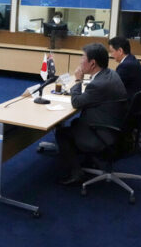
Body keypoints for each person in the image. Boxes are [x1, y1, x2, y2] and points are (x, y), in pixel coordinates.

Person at [55, 43, 128, 185]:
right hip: (115, 125)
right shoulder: (110, 73)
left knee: (62, 134)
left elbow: (76, 102)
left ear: (93, 63)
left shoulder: (98, 85)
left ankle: (77, 173)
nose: (80, 61)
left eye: (83, 58)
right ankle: (89, 160)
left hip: (104, 133)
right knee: (75, 122)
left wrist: (78, 80)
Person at [108, 36, 141, 100]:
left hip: (130, 101)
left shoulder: (125, 66)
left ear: (120, 51)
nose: (111, 55)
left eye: (112, 51)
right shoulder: (131, 58)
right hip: (137, 98)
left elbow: (113, 87)